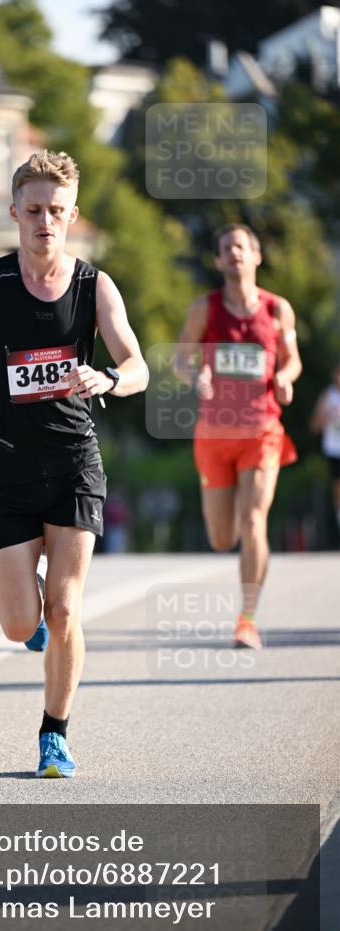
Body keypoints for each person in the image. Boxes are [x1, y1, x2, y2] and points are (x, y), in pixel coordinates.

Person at [0, 149, 148, 777]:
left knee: (67, 608)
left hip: (74, 462)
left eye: (55, 210)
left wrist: (108, 379)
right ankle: (34, 622)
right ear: (14, 213)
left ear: (72, 215)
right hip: (3, 469)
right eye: (33, 210)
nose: (44, 221)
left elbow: (138, 366)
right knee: (20, 622)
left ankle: (55, 734)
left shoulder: (94, 287)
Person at [175, 223, 302, 650]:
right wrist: (196, 375)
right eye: (226, 248)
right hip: (214, 434)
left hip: (262, 429)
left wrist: (284, 378)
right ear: (218, 259)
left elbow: (293, 359)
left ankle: (247, 620)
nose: (234, 253)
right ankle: (243, 600)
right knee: (222, 538)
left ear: (256, 256)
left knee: (253, 520)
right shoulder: (204, 309)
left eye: (241, 247)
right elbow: (180, 359)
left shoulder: (278, 309)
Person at [310, 361, 340, 541]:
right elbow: (314, 426)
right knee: (338, 487)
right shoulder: (328, 396)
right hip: (335, 449)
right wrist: (327, 416)